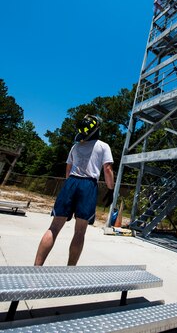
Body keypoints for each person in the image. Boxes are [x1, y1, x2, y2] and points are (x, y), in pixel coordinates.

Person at [34, 114, 114, 266]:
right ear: (97, 129)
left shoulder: (75, 147)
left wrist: (69, 185)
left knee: (54, 227)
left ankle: (36, 266)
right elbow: (108, 169)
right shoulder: (103, 146)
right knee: (79, 232)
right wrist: (110, 189)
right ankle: (70, 269)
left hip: (70, 182)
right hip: (88, 185)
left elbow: (68, 169)